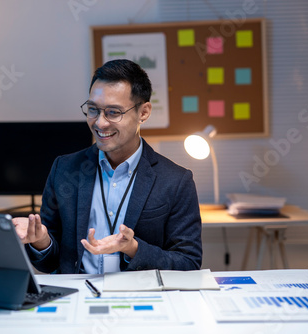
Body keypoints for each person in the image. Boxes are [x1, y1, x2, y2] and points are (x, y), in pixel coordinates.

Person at [13, 59, 202, 274]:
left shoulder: (176, 180)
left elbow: (188, 263)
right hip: (79, 294)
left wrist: (133, 248)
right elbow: (49, 262)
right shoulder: (64, 170)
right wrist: (42, 241)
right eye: (93, 109)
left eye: (113, 112)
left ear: (144, 112)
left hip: (140, 297)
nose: (100, 123)